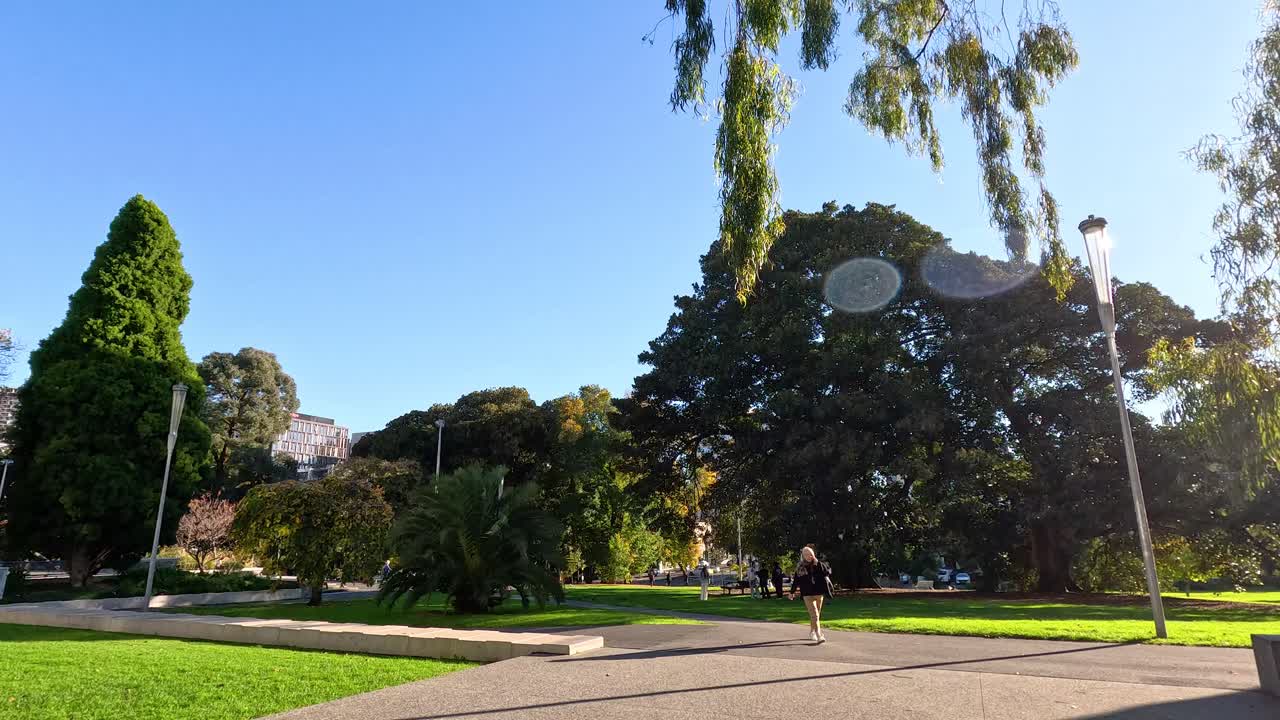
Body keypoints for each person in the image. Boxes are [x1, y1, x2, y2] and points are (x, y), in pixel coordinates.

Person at [788, 546, 833, 642]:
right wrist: (792, 592)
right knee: (815, 615)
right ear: (803, 556)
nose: (809, 556)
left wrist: (818, 563)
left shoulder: (819, 564)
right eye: (806, 554)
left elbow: (826, 573)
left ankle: (812, 631)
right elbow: (796, 580)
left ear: (813, 554)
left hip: (818, 593)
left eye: (810, 554)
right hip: (807, 594)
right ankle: (819, 635)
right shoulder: (800, 567)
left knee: (816, 615)